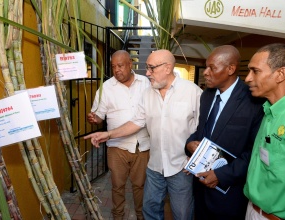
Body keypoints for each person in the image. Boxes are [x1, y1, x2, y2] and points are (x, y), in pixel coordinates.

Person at [85, 49, 203, 220]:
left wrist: (195, 160)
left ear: (167, 68)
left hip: (181, 166)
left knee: (182, 214)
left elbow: (204, 129)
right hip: (155, 166)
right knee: (150, 210)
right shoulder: (148, 93)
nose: (147, 73)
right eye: (147, 68)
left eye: (151, 68)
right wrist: (108, 134)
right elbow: (136, 122)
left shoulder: (192, 92)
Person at [185, 45, 264, 220]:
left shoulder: (254, 101)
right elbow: (201, 132)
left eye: (212, 68)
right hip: (200, 188)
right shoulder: (207, 95)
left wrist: (221, 175)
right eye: (206, 67)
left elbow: (254, 152)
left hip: (228, 195)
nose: (205, 72)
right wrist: (190, 144)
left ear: (230, 69)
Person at [87, 50, 150, 220]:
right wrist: (95, 118)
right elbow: (99, 116)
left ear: (130, 64)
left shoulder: (146, 83)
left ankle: (141, 216)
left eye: (120, 66)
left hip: (142, 145)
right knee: (117, 186)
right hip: (117, 147)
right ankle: (118, 217)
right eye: (113, 66)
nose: (116, 70)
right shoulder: (106, 87)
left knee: (140, 186)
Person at [244, 43, 285, 220]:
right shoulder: (268, 110)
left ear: (280, 74)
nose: (248, 78)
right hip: (251, 209)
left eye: (255, 71)